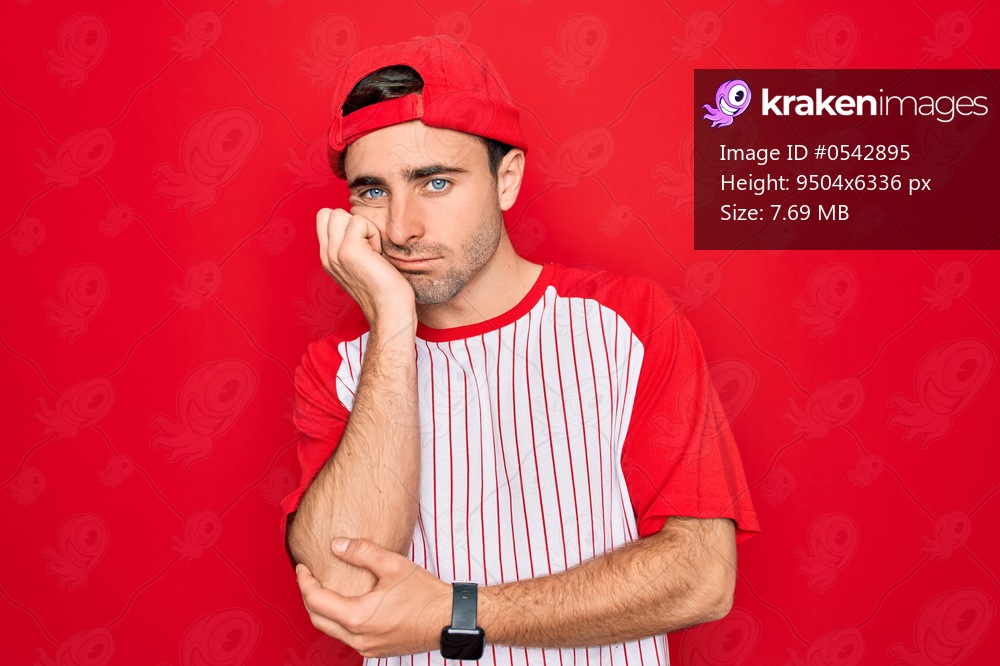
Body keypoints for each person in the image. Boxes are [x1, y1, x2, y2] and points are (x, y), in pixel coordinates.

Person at [282, 34, 759, 665]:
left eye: (435, 183)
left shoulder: (627, 321)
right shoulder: (337, 370)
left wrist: (460, 613)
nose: (400, 228)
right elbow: (344, 588)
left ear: (506, 179)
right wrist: (393, 322)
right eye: (372, 191)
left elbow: (701, 574)